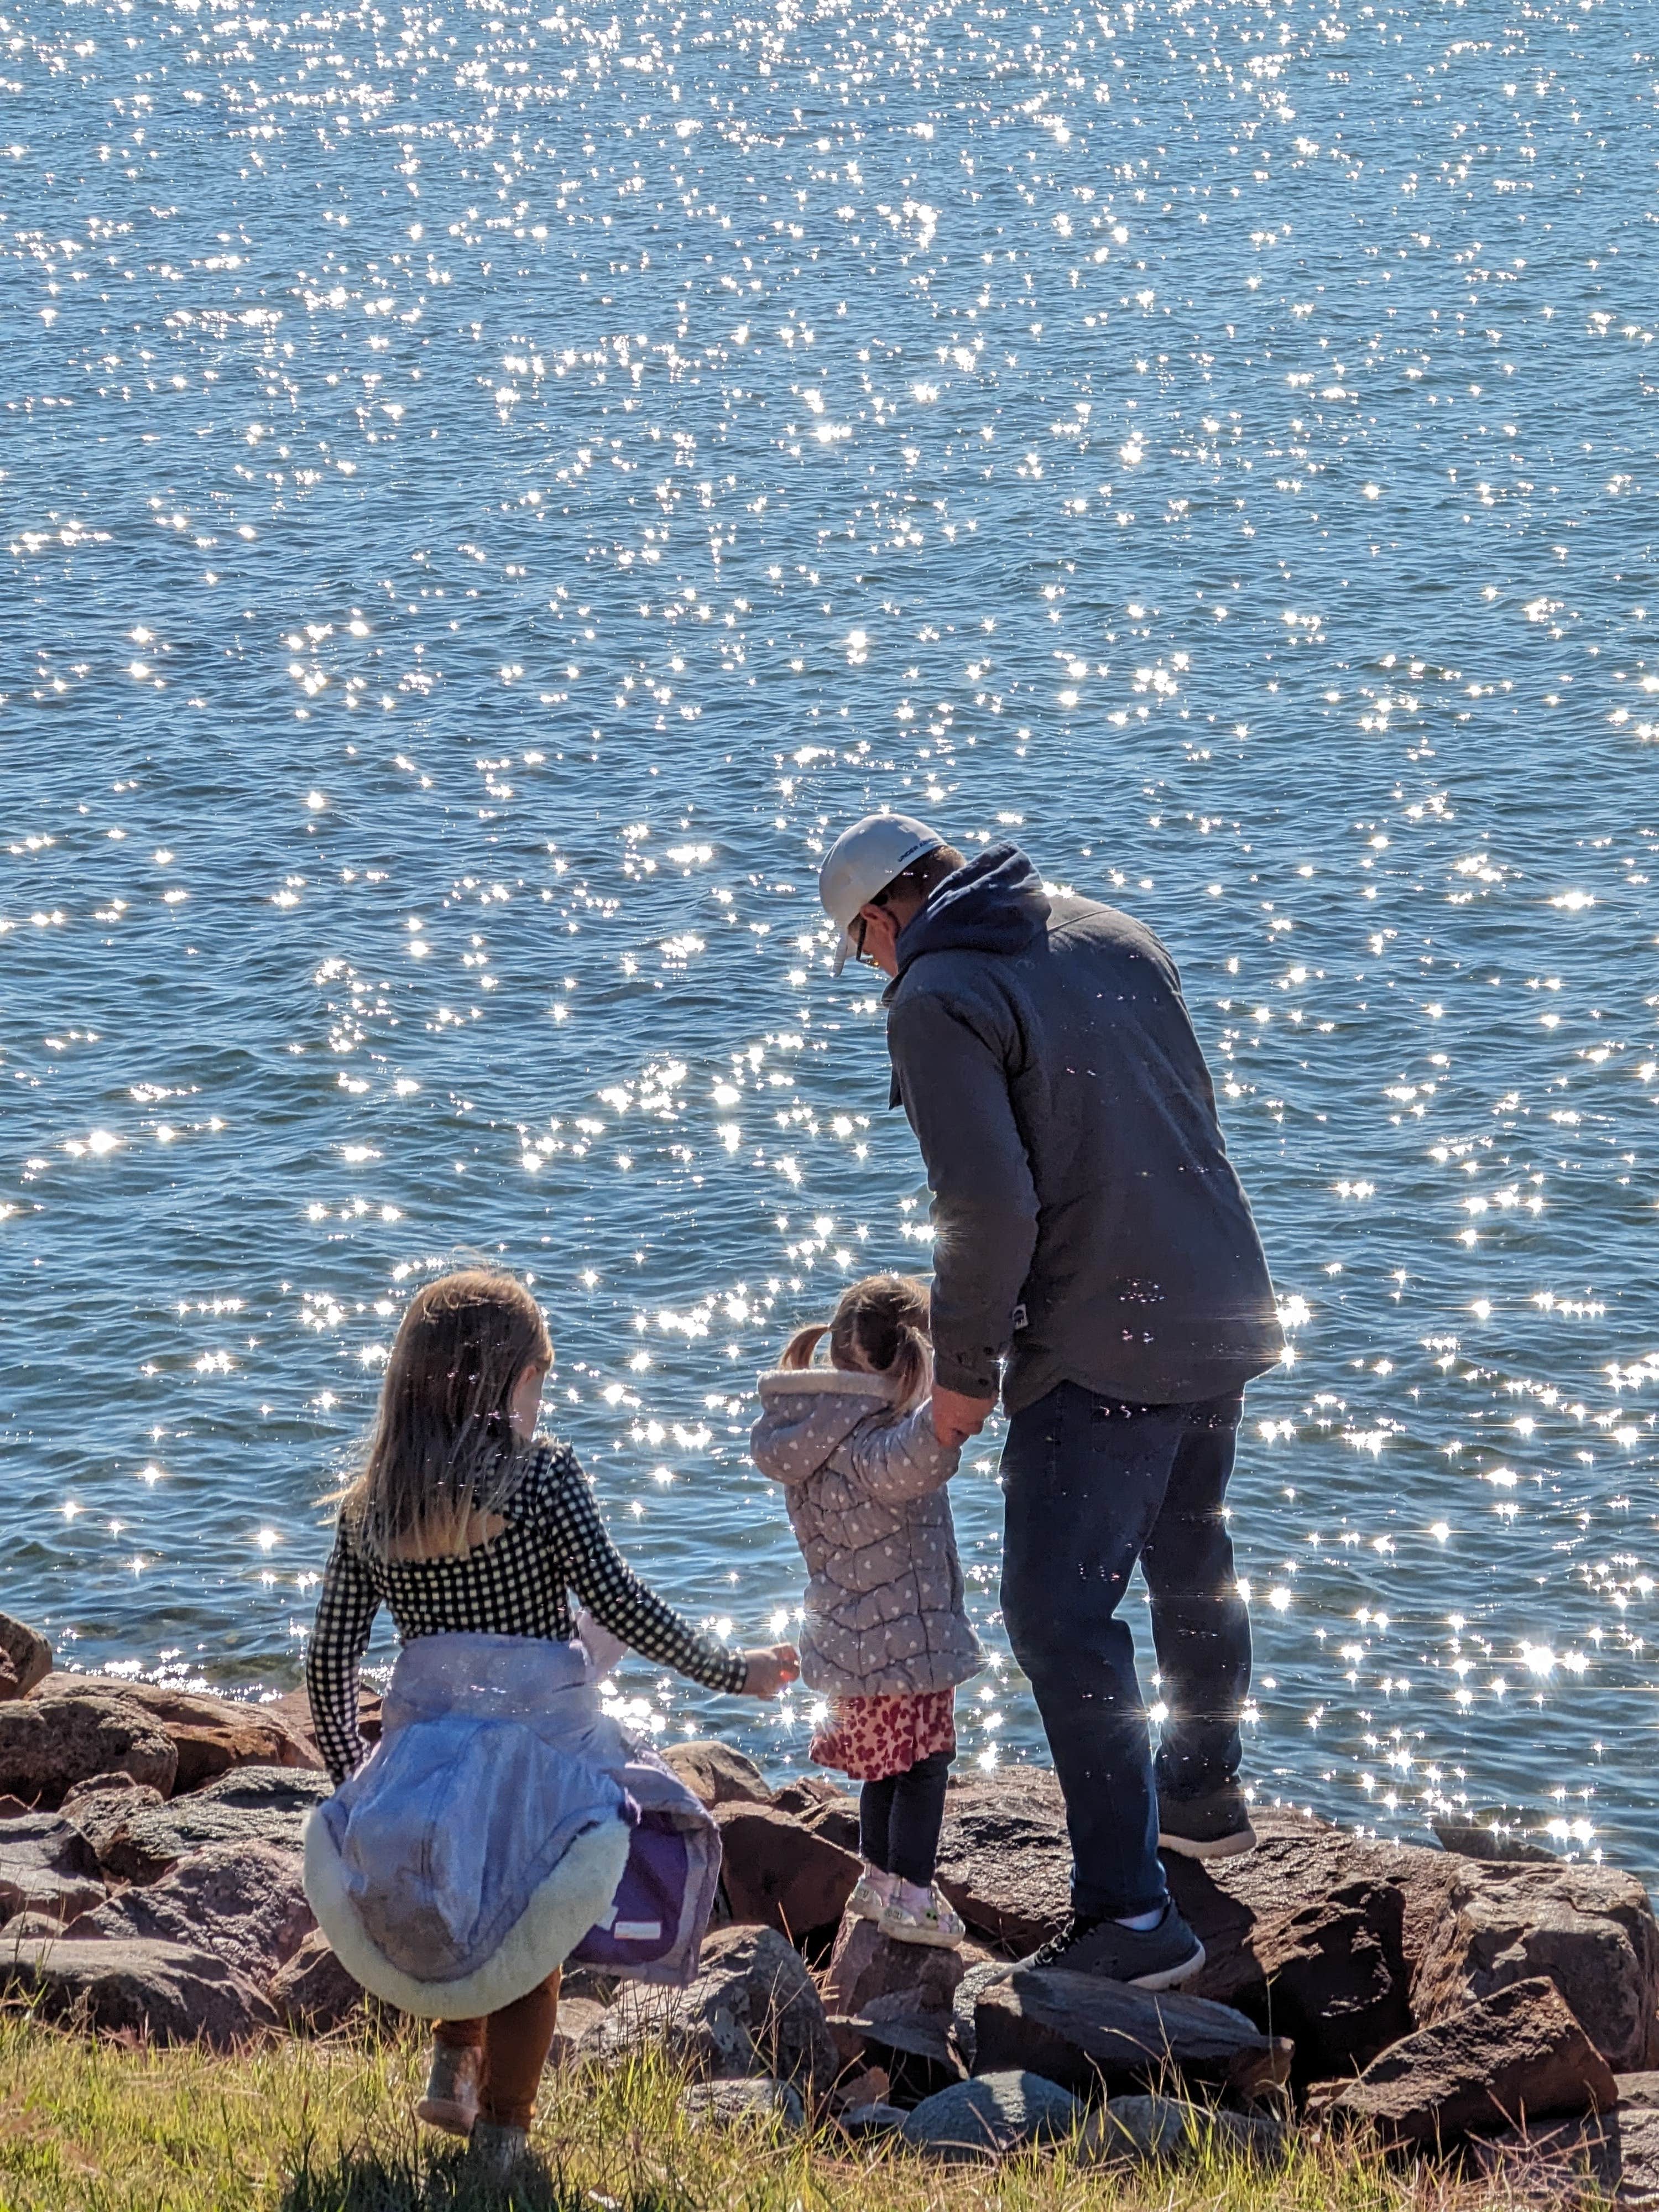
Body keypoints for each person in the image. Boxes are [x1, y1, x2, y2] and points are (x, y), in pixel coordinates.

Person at [818, 813, 1283, 1991]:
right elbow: (1187, 1116)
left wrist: (966, 1376)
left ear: (883, 917)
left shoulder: (936, 993)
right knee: (1191, 1549)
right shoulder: (1114, 930)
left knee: (1059, 1614)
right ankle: (1202, 1793)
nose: (874, 967)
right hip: (1221, 1293)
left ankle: (1132, 1914)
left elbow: (989, 1210)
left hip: (1099, 1337)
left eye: (863, 947)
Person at [303, 1265, 797, 2183]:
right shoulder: (545, 1480)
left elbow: (328, 1665)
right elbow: (623, 1603)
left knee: (466, 1894)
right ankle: (503, 2142)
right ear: (504, 1385)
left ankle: (453, 2059)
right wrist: (736, 1671)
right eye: (541, 1382)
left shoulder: (373, 1506)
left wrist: (354, 1779)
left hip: (428, 1753)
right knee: (530, 1938)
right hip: (540, 1752)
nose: (544, 1403)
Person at [750, 1273, 981, 1948]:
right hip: (903, 1641)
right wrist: (970, 1381)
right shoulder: (878, 1441)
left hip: (851, 1641)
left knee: (888, 1769)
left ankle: (878, 1879)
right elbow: (928, 1445)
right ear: (912, 1361)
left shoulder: (810, 1435)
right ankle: (912, 1893)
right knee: (924, 1767)